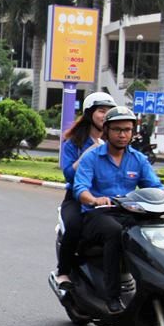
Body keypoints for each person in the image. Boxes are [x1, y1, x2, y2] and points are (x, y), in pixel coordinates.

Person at [74, 106, 164, 314]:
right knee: (115, 233)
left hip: (129, 212)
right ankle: (112, 296)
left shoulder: (138, 159)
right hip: (99, 213)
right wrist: (93, 199)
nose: (123, 135)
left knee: (154, 231)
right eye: (118, 129)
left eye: (127, 130)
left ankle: (156, 285)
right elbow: (80, 188)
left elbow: (153, 185)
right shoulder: (92, 157)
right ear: (106, 131)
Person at [55, 92, 116, 289]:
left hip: (108, 198)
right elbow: (69, 175)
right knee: (73, 226)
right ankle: (63, 272)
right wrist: (89, 154)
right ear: (90, 114)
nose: (105, 116)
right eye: (101, 111)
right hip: (77, 198)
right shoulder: (74, 143)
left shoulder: (114, 142)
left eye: (109, 112)